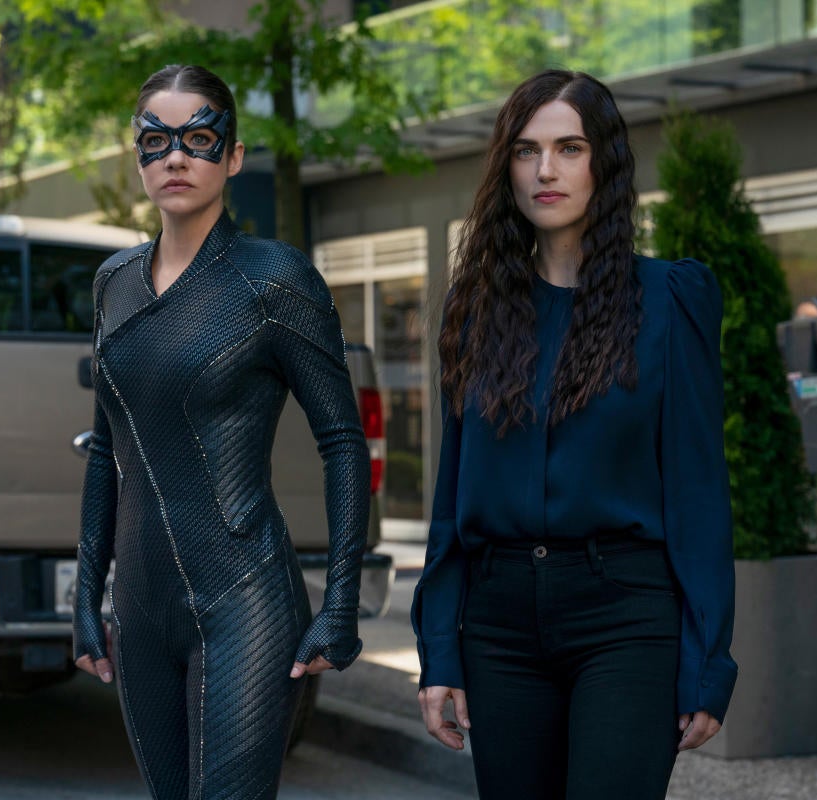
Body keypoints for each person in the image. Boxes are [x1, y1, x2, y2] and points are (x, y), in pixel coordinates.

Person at [411, 69, 738, 799]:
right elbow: (451, 499)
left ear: (605, 163)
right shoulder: (477, 309)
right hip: (498, 627)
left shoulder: (670, 301)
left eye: (570, 148)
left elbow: (698, 494)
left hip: (626, 618)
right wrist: (439, 648)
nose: (546, 171)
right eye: (526, 151)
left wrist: (708, 659)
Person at [72, 64, 370, 799]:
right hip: (139, 608)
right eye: (156, 141)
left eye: (199, 139)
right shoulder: (113, 282)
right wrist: (85, 595)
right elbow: (107, 450)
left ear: (233, 157)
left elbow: (342, 441)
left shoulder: (276, 279)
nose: (175, 157)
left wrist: (341, 602)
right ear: (137, 155)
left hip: (245, 601)